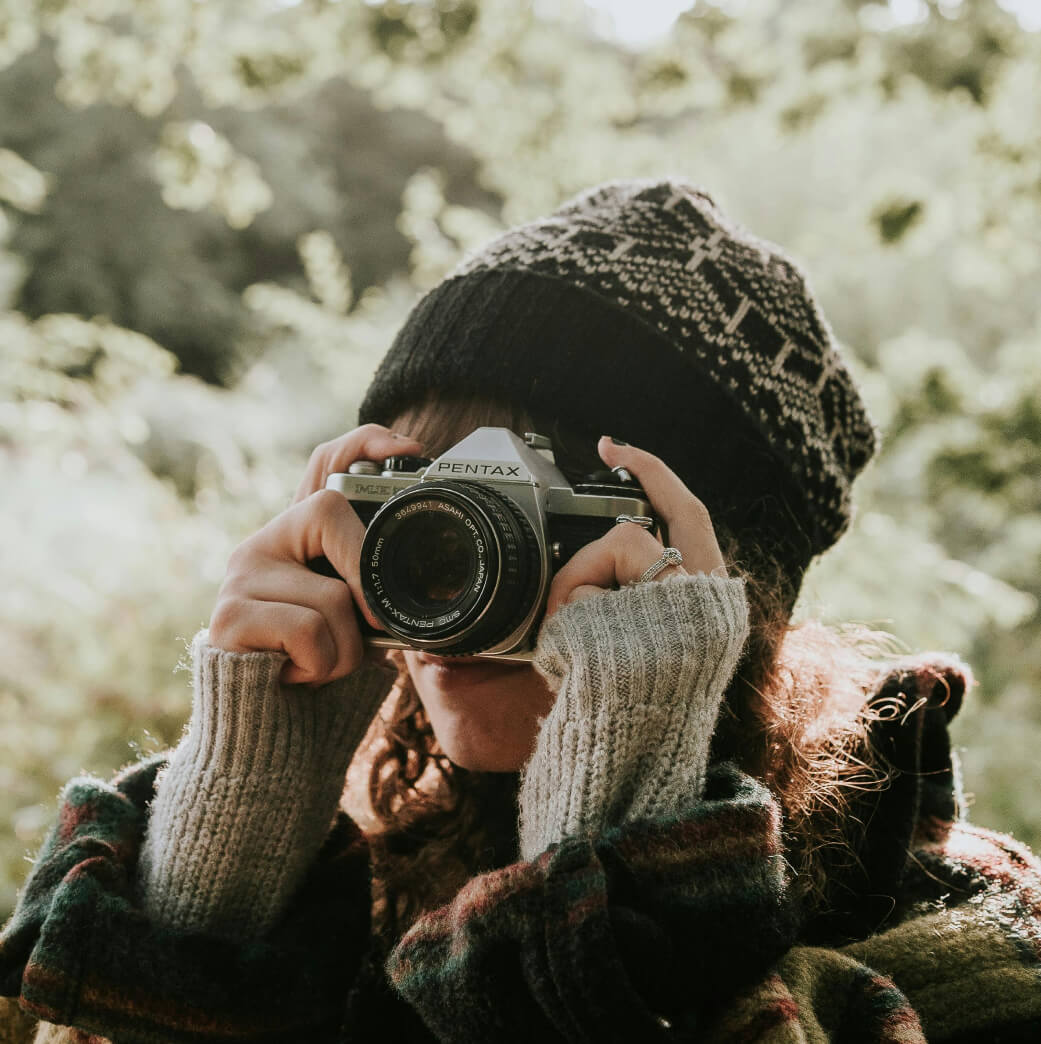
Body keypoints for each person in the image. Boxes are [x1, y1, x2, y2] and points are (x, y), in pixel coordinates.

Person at [2, 179, 1040, 1043]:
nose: (461, 578)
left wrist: (626, 854)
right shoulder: (361, 882)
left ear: (734, 590)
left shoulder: (967, 939)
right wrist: (225, 839)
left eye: (552, 526)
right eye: (428, 512)